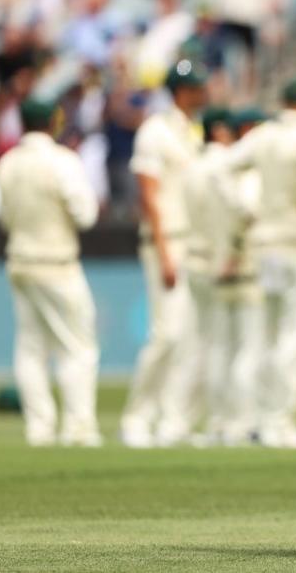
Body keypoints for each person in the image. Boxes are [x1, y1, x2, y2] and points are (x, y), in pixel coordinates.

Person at [215, 81, 296, 448]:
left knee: (269, 333)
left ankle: (261, 418)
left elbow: (223, 169)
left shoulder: (264, 135)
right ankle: (280, 422)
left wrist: (246, 208)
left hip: (265, 245)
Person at [0, 98, 101, 447]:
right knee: (77, 347)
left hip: (21, 263)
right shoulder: (62, 161)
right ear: (53, 122)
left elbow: (6, 217)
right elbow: (85, 215)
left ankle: (39, 429)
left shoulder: (8, 163)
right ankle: (78, 428)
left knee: (30, 350)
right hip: (57, 264)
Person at [120, 60, 207, 448]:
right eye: (195, 87)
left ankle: (173, 422)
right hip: (167, 241)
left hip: (193, 240)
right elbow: (148, 196)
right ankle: (136, 418)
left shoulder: (192, 131)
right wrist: (164, 251)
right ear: (180, 91)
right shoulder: (155, 131)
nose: (202, 93)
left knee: (190, 337)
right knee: (166, 333)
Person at [185, 107, 263, 445]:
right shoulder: (239, 174)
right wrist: (233, 251)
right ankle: (240, 423)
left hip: (210, 263)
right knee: (247, 349)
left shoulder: (195, 169)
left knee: (217, 347)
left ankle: (218, 421)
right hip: (242, 266)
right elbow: (245, 213)